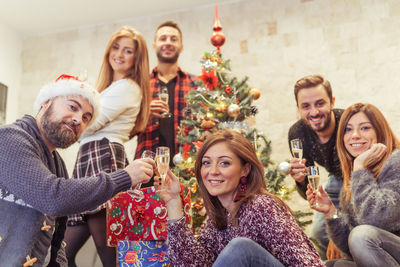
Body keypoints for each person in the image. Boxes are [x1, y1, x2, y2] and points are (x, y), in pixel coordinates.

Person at [0, 75, 154, 266]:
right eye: (72, 107)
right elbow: (53, 196)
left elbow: (56, 243)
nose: (77, 119)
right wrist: (125, 176)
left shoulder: (57, 164)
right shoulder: (10, 139)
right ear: (46, 102)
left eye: (86, 118)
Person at [155, 130, 324, 266]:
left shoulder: (261, 207)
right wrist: (173, 202)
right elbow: (190, 263)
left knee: (241, 248)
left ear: (245, 170)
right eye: (207, 163)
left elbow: (309, 263)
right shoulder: (217, 218)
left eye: (224, 163)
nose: (213, 171)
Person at [63, 26, 150, 266]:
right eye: (115, 47)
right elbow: (83, 125)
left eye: (128, 50)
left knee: (107, 250)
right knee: (62, 254)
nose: (119, 54)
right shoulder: (108, 89)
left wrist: (75, 110)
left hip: (104, 156)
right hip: (90, 156)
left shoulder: (128, 87)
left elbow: (89, 124)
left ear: (136, 59)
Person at [306, 103, 400, 267]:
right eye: (348, 130)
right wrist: (331, 213)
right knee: (332, 265)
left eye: (364, 128)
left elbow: (378, 221)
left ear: (380, 132)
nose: (354, 135)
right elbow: (352, 248)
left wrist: (360, 169)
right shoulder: (355, 177)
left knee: (361, 235)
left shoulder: (396, 162)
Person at [288, 74, 344, 258]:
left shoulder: (347, 122)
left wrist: (338, 234)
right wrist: (301, 181)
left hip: (359, 179)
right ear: (298, 108)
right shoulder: (297, 133)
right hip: (335, 180)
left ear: (332, 102)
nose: (314, 112)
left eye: (320, 103)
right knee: (319, 234)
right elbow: (310, 194)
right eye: (306, 106)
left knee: (347, 232)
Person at [135, 20, 196, 170]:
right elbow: (126, 131)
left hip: (189, 168)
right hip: (147, 169)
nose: (168, 42)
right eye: (163, 38)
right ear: (154, 46)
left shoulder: (196, 84)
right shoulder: (139, 85)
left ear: (181, 47)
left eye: (173, 39)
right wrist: (144, 115)